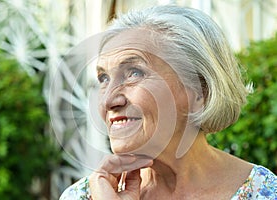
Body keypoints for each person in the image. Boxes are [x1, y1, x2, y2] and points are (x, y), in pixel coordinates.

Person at [60, 5, 277, 200]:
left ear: (200, 92)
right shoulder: (85, 196)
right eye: (104, 78)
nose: (108, 100)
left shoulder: (263, 192)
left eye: (134, 72)